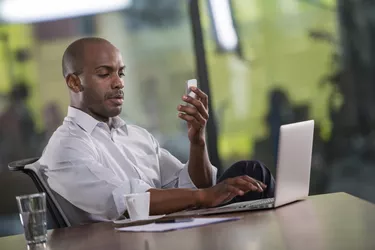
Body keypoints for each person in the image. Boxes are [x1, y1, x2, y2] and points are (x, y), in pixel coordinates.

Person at [39, 37, 275, 225]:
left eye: (120, 73)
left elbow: (194, 187)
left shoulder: (137, 136)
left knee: (252, 173)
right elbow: (128, 201)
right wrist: (203, 197)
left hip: (171, 231)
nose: (119, 83)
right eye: (104, 73)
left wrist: (197, 142)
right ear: (74, 83)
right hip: (123, 242)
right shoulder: (67, 146)